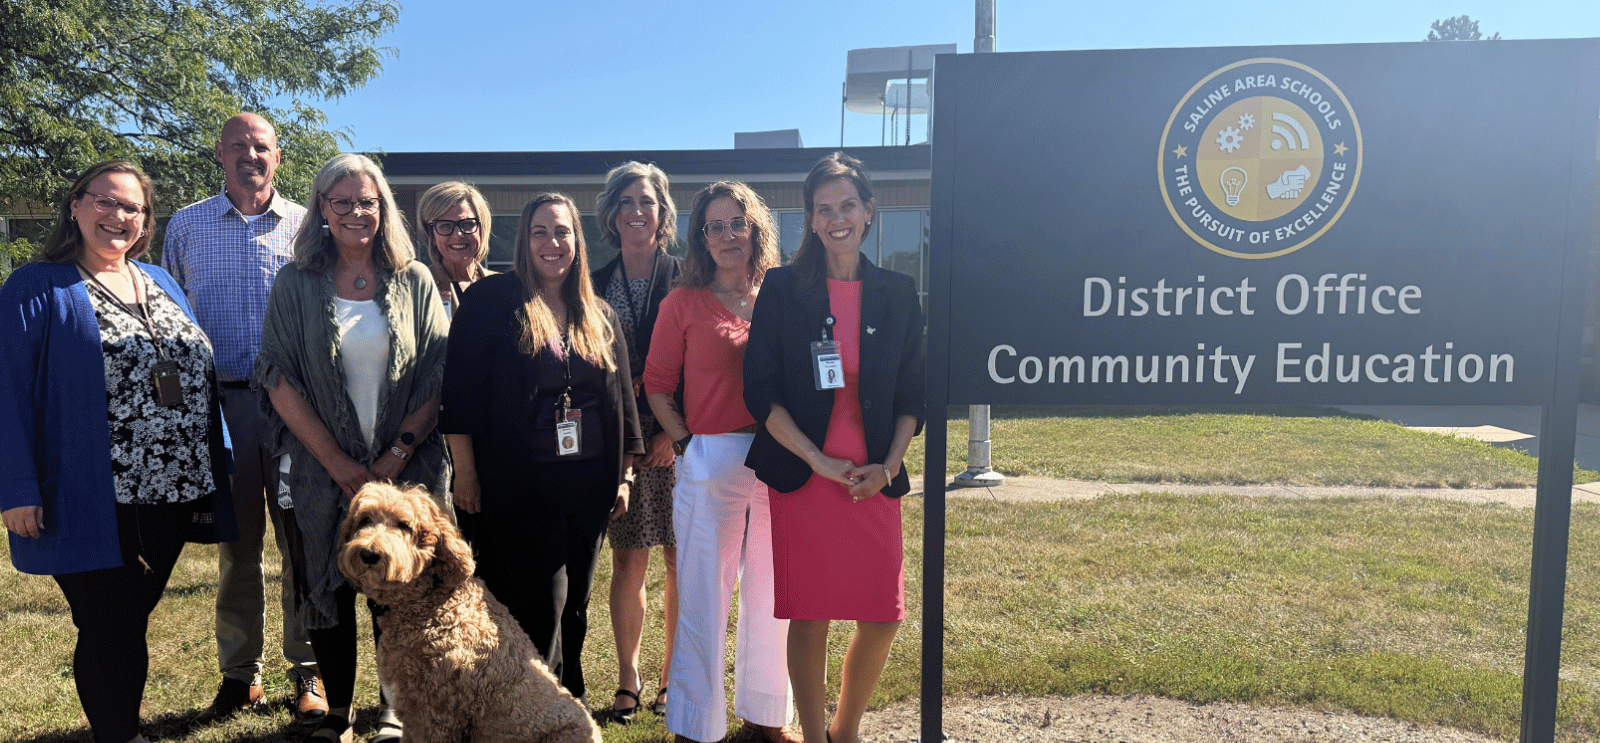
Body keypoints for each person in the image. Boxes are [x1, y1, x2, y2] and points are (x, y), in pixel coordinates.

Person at [1, 160, 239, 743]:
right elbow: (7, 389)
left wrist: (222, 456)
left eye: (132, 206)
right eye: (104, 201)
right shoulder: (37, 285)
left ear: (145, 220)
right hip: (87, 491)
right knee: (107, 620)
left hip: (174, 488)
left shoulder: (160, 280)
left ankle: (122, 729)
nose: (118, 215)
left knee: (129, 618)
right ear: (75, 205)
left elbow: (197, 370)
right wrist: (15, 486)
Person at [255, 153, 450, 743]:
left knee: (401, 590)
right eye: (342, 202)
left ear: (383, 208)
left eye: (367, 201)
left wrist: (395, 457)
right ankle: (338, 711)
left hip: (406, 469)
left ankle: (393, 710)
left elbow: (439, 377)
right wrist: (339, 465)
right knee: (327, 585)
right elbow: (278, 378)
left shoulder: (414, 280)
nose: (356, 212)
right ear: (321, 208)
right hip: (320, 472)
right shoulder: (295, 284)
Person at [742, 153, 926, 743]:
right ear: (811, 219)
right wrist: (817, 460)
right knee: (810, 614)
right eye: (824, 209)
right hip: (805, 474)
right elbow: (760, 390)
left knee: (882, 616)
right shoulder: (782, 288)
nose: (837, 218)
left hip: (874, 477)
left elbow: (913, 394)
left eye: (848, 205)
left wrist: (889, 466)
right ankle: (815, 737)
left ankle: (845, 731)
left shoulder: (898, 291)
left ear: (869, 211)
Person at [441, 192, 644, 704]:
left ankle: (567, 698)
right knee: (542, 605)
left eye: (562, 232)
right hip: (520, 484)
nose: (552, 243)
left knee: (575, 605)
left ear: (578, 240)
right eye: (540, 232)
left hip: (589, 486)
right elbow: (460, 397)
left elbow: (622, 403)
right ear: (523, 241)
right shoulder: (492, 302)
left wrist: (624, 476)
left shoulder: (599, 313)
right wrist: (466, 473)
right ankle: (537, 707)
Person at [161, 112, 324, 722]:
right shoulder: (186, 226)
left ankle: (308, 670)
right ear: (219, 153)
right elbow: (170, 318)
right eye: (238, 145)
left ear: (278, 157)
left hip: (295, 409)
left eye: (261, 147)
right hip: (221, 406)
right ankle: (239, 674)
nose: (250, 155)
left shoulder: (307, 227)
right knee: (236, 547)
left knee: (301, 543)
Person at [646, 181, 795, 743]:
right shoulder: (682, 304)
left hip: (779, 456)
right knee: (703, 594)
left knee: (773, 591)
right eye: (715, 226)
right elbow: (657, 385)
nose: (729, 235)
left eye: (738, 223)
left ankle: (766, 719)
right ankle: (695, 726)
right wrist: (687, 444)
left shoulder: (783, 297)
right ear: (701, 238)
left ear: (756, 229)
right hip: (711, 455)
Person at [590, 161, 681, 724]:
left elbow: (704, 362)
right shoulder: (594, 281)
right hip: (620, 441)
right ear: (612, 214)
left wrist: (673, 433)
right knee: (628, 560)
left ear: (662, 211)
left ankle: (673, 676)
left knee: (681, 561)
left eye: (646, 201)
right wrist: (628, 442)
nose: (637, 211)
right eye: (626, 202)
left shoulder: (687, 276)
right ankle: (629, 678)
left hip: (680, 439)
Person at [416, 181, 495, 320]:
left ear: (481, 230)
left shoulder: (503, 287)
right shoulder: (419, 287)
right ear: (431, 236)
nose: (458, 234)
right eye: (445, 226)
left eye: (467, 224)